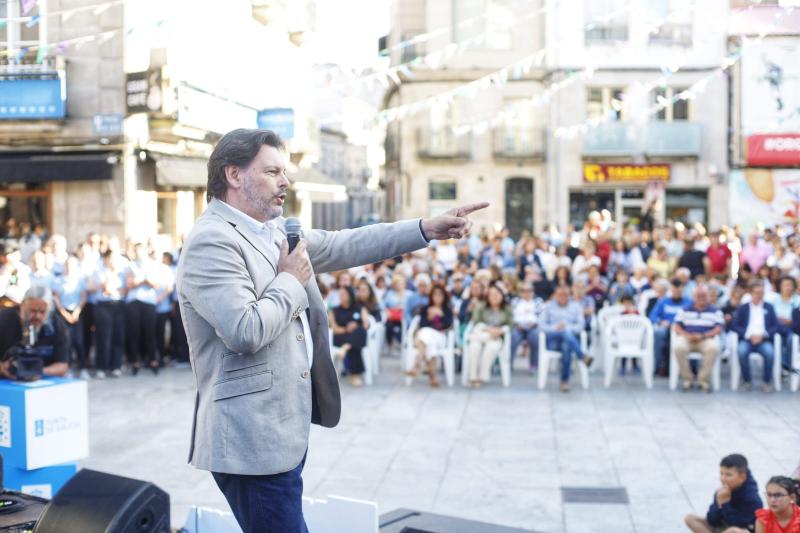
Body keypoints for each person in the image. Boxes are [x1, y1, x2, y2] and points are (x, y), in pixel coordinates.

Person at [175, 128, 486, 532]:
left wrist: (425, 228)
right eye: (272, 171)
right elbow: (244, 330)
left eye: (283, 171)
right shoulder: (212, 240)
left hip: (281, 428)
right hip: (250, 440)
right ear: (234, 175)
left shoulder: (271, 230)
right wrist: (290, 280)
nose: (285, 181)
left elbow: (347, 244)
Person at [0, 286, 69, 378]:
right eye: (32, 311)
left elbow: (62, 366)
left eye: (42, 312)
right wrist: (2, 368)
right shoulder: (3, 319)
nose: (37, 316)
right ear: (22, 306)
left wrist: (37, 371)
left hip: (41, 382)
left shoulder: (57, 325)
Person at [685, 454, 763, 533]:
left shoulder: (752, 499)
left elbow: (737, 525)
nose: (723, 479)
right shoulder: (722, 492)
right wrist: (719, 504)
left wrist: (725, 504)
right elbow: (712, 521)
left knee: (733, 531)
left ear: (742, 477)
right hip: (724, 527)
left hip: (741, 529)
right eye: (721, 473)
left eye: (728, 475)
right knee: (690, 518)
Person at [539, 284, 593, 393]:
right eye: (560, 294)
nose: (563, 296)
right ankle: (582, 356)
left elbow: (580, 325)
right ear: (555, 295)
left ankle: (564, 381)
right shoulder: (548, 306)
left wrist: (566, 327)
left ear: (569, 295)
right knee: (564, 334)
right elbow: (541, 325)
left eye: (566, 294)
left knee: (566, 346)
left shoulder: (576, 306)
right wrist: (555, 327)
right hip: (553, 340)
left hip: (569, 341)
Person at [673, 285, 724, 392]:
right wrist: (687, 335)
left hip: (706, 338)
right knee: (678, 347)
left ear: (708, 296)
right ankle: (688, 379)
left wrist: (703, 336)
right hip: (687, 337)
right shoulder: (684, 310)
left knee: (713, 348)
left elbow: (719, 328)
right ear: (693, 297)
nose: (701, 298)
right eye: (698, 296)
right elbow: (676, 326)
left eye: (703, 295)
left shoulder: (715, 311)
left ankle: (703, 380)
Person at [733, 281, 778, 392]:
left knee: (770, 352)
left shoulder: (769, 307)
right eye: (757, 293)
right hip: (747, 339)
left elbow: (775, 326)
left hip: (764, 339)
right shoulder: (743, 308)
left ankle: (766, 382)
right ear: (751, 293)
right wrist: (748, 335)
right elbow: (735, 325)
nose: (759, 295)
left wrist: (763, 335)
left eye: (761, 293)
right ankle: (747, 380)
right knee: (742, 351)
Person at [125, 243, 161, 375]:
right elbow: (130, 284)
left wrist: (140, 281)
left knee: (150, 332)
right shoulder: (131, 265)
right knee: (134, 333)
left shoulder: (153, 264)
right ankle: (135, 361)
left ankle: (153, 360)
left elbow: (156, 283)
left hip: (149, 302)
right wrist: (145, 281)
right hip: (134, 301)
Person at [408, 283, 453, 387]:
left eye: (440, 295)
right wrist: (429, 317)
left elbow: (448, 325)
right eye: (435, 294)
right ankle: (433, 377)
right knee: (429, 341)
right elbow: (422, 324)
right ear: (431, 296)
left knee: (425, 334)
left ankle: (417, 363)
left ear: (444, 296)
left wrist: (440, 315)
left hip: (440, 337)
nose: (437, 297)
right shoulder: (425, 309)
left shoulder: (447, 310)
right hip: (428, 339)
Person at [52, 256, 88, 378]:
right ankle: (68, 367)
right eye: (68, 265)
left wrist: (77, 311)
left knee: (79, 341)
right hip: (63, 313)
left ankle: (83, 367)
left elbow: (83, 297)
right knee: (67, 342)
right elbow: (56, 298)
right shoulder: (58, 280)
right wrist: (64, 313)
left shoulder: (80, 280)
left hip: (76, 312)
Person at [649, 279, 692, 376]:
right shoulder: (664, 301)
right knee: (659, 333)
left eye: (679, 290)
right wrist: (661, 321)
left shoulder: (689, 302)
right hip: (666, 327)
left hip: (683, 329)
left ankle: (691, 367)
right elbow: (652, 316)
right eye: (674, 290)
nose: (676, 292)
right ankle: (658, 365)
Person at [329, 287, 368, 387]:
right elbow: (335, 328)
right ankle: (355, 375)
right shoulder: (334, 310)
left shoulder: (359, 308)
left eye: (343, 294)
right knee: (355, 343)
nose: (341, 297)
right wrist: (347, 329)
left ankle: (346, 347)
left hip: (356, 336)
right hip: (341, 337)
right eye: (340, 294)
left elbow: (366, 325)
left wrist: (355, 326)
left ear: (350, 295)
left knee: (360, 330)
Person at [768, 276, 799, 372]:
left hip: (793, 328)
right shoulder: (774, 299)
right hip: (777, 327)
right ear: (780, 286)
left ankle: (786, 365)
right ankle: (782, 366)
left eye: (790, 285)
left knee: (791, 339)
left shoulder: (798, 300)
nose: (787, 287)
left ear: (794, 287)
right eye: (785, 285)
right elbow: (769, 316)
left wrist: (791, 321)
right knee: (777, 339)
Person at [510, 283, 543, 373]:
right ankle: (509, 364)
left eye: (529, 290)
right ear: (520, 292)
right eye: (523, 291)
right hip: (518, 326)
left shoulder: (538, 301)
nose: (526, 293)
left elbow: (542, 316)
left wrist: (534, 324)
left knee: (535, 337)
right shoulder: (515, 301)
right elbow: (510, 315)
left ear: (533, 292)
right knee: (513, 337)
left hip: (533, 326)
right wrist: (516, 324)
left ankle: (533, 365)